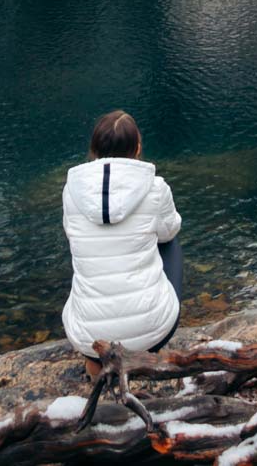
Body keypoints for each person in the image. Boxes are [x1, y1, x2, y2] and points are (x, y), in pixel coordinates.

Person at [62, 110, 183, 378]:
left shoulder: (71, 191)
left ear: (93, 150)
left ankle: (97, 373)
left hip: (88, 340)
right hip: (152, 334)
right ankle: (145, 357)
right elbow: (170, 230)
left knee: (90, 253)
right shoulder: (156, 187)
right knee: (170, 239)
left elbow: (71, 233)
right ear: (138, 148)